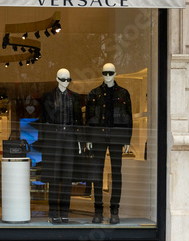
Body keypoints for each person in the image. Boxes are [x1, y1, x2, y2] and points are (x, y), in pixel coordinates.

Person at [85, 63, 132, 225]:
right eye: (104, 73)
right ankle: (97, 210)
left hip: (117, 137)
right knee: (97, 173)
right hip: (98, 136)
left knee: (116, 174)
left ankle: (114, 211)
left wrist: (127, 139)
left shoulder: (124, 94)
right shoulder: (94, 93)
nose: (107, 76)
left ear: (115, 73)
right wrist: (88, 138)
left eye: (110, 73)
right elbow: (89, 117)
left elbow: (128, 117)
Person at [40, 68, 82, 224]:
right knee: (54, 176)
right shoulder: (48, 97)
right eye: (63, 79)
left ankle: (64, 212)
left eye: (68, 80)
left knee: (67, 177)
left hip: (70, 136)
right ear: (57, 79)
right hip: (54, 138)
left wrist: (80, 141)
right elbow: (43, 121)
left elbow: (79, 121)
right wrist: (43, 143)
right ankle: (53, 213)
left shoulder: (75, 98)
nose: (66, 83)